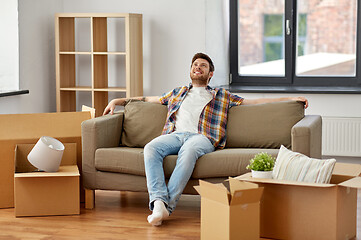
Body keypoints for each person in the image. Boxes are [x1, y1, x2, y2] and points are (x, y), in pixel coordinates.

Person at [103, 53, 308, 226]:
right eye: (195, 65)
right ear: (191, 71)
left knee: (189, 151)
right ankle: (158, 202)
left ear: (210, 74)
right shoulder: (177, 93)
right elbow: (146, 99)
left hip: (203, 138)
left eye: (202, 65)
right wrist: (117, 100)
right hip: (174, 135)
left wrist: (290, 99)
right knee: (150, 148)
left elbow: (257, 102)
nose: (197, 67)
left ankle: (166, 206)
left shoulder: (222, 95)